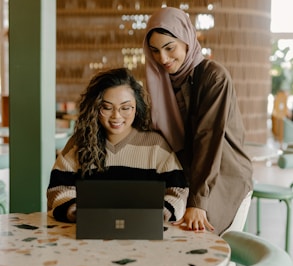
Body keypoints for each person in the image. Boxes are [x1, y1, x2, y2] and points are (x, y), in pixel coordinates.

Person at [143, 7, 253, 236]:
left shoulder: (214, 77)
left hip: (223, 177)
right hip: (187, 177)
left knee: (209, 247)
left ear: (186, 40)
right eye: (154, 50)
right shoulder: (160, 83)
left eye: (169, 48)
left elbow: (208, 138)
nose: (162, 58)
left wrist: (197, 201)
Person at [47, 67, 188, 223]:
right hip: (88, 232)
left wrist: (160, 213)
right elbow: (57, 189)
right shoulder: (78, 143)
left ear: (137, 108)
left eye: (125, 108)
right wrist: (75, 210)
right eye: (107, 107)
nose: (116, 116)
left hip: (144, 232)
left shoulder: (155, 145)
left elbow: (178, 191)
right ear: (95, 107)